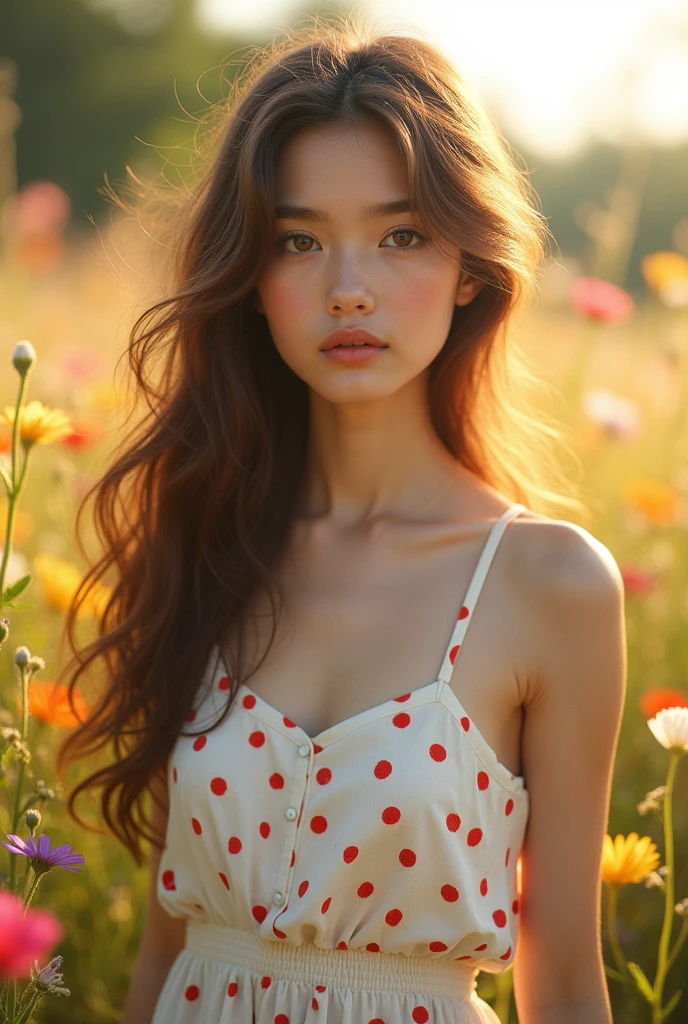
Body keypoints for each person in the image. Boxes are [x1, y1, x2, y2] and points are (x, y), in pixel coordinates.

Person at [55, 14, 626, 1024]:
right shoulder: (211, 538)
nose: (349, 288)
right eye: (299, 240)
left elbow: (568, 982)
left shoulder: (548, 584)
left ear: (467, 266)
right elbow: (163, 950)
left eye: (400, 234)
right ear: (254, 284)